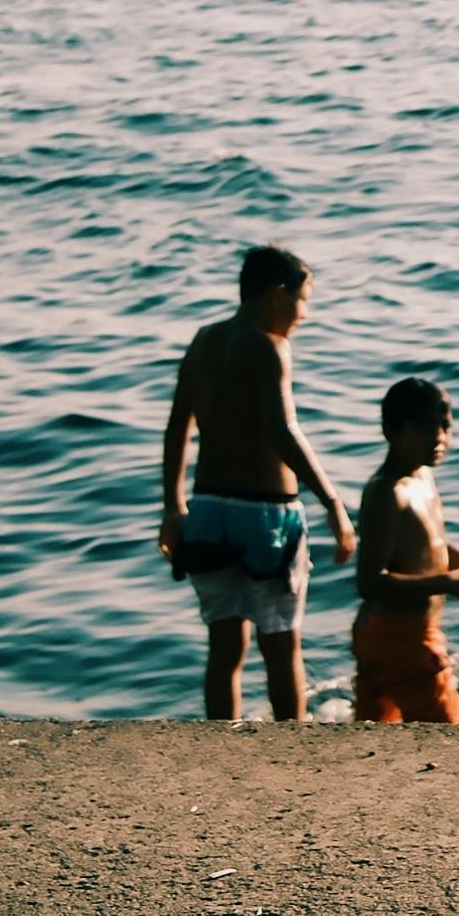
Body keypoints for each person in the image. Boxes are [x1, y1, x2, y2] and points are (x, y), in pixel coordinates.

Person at [157, 244, 356, 722]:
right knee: (281, 643)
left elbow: (176, 427)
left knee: (224, 646)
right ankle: (293, 750)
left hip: (207, 510)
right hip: (266, 515)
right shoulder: (269, 347)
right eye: (302, 301)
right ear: (276, 293)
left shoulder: (204, 340)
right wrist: (333, 503)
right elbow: (283, 431)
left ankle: (220, 743)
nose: (304, 315)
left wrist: (172, 506)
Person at [350, 375, 459, 724]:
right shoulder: (388, 493)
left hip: (400, 634)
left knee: (376, 735)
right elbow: (370, 583)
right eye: (426, 428)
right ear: (392, 431)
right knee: (445, 736)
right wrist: (446, 583)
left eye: (445, 427)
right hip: (401, 636)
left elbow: (430, 544)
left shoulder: (422, 478)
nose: (439, 438)